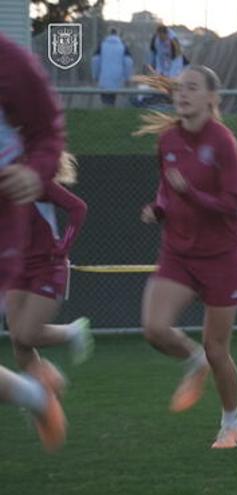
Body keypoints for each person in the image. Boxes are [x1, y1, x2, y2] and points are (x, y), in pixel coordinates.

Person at [135, 66, 237, 449]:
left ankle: (232, 423)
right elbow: (167, 191)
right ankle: (192, 358)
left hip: (221, 256)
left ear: (211, 98)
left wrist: (191, 195)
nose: (182, 94)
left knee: (218, 350)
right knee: (154, 329)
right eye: (180, 88)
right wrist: (159, 208)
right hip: (178, 251)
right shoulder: (167, 141)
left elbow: (234, 202)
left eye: (192, 88)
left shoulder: (223, 142)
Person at [0, 32, 68, 453]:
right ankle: (35, 395)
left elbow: (48, 133)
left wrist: (33, 171)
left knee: (24, 332)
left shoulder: (10, 61)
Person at [6, 152, 92, 373]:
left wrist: (64, 246)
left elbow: (78, 208)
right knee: (18, 340)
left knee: (28, 334)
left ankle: (73, 332)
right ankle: (40, 396)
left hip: (47, 266)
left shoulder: (34, 181)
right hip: (16, 268)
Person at [91, 28, 134, 107]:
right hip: (118, 79)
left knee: (106, 102)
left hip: (104, 79)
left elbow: (95, 61)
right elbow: (128, 63)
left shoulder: (101, 45)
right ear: (117, 34)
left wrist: (95, 76)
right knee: (115, 101)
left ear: (109, 34)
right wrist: (127, 79)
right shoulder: (123, 46)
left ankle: (106, 112)